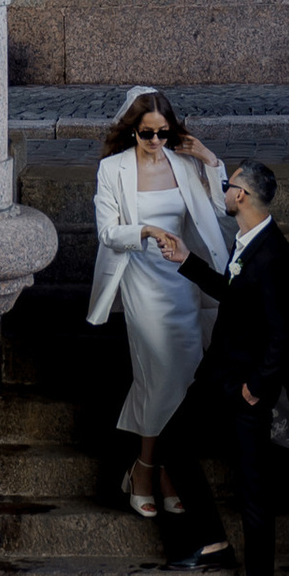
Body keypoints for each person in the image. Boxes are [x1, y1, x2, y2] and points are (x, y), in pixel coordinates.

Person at [145, 160, 289, 576]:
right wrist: (186, 262)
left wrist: (258, 388)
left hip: (245, 390)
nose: (223, 190)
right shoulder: (248, 242)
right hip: (217, 377)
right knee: (171, 444)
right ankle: (212, 542)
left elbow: (285, 332)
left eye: (228, 185)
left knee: (254, 494)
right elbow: (234, 297)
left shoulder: (274, 255)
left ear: (243, 197)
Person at [87, 85, 230, 522]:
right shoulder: (112, 170)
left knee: (181, 378)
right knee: (159, 371)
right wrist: (145, 231)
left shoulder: (185, 164)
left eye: (162, 133)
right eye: (146, 133)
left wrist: (209, 159)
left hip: (183, 280)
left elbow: (224, 208)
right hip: (141, 281)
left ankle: (150, 469)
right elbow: (108, 232)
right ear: (133, 130)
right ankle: (152, 471)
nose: (154, 142)